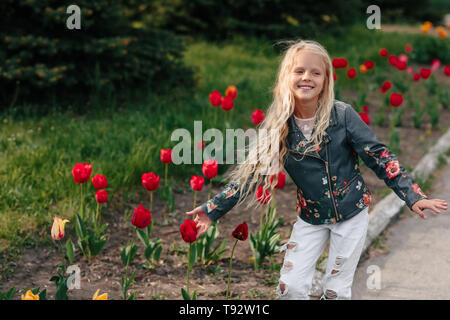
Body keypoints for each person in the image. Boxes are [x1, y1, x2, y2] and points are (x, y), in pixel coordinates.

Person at [186, 39, 448, 300]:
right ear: (287, 77)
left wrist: (413, 196)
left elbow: (380, 157)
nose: (306, 77)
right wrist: (212, 210)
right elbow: (251, 176)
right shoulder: (279, 126)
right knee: (292, 287)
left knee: (335, 291)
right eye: (299, 71)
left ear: (326, 80)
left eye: (315, 72)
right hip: (311, 218)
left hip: (351, 214)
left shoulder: (342, 115)